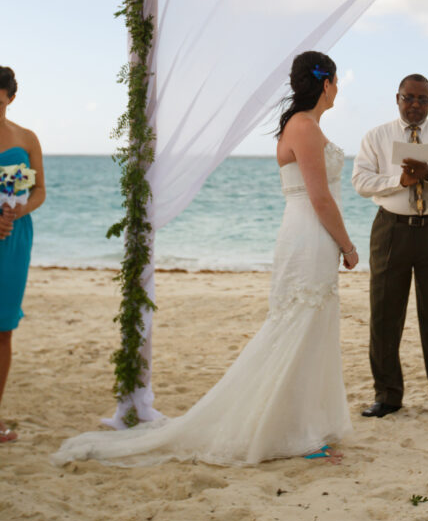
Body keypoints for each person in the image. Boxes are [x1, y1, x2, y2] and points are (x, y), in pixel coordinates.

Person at [53, 51, 358, 467]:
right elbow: (320, 198)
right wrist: (349, 246)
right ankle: (292, 432)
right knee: (296, 328)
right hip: (309, 235)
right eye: (336, 82)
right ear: (325, 84)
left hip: (313, 235)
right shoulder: (303, 126)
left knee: (311, 328)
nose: (338, 89)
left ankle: (304, 423)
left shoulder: (305, 125)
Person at [352, 73, 428, 419]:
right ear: (397, 98)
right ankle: (387, 396)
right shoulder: (377, 136)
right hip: (391, 229)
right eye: (409, 98)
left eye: (423, 99)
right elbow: (360, 181)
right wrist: (400, 180)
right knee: (385, 315)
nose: (415, 105)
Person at [0, 66, 46, 445]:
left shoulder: (27, 138)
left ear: (11, 99)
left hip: (13, 238)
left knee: (3, 328)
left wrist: (16, 213)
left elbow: (39, 191)